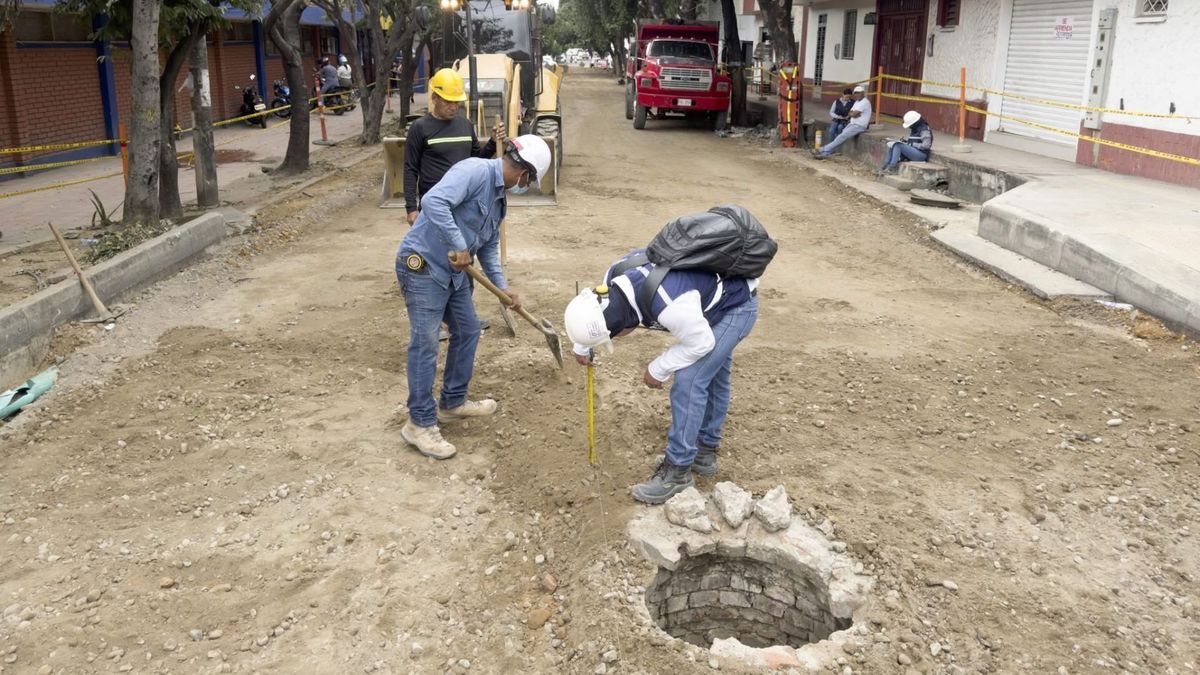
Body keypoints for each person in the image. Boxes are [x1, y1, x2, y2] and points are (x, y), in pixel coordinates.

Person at [395, 135, 552, 460]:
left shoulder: (499, 200)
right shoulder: (475, 171)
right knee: (425, 343)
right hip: (423, 265)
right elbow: (433, 202)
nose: (525, 186)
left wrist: (502, 288)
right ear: (524, 172)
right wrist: (459, 243)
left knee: (467, 330)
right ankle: (418, 424)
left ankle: (452, 404)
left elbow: (489, 247)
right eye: (529, 180)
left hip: (454, 274)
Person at [563, 251, 760, 504]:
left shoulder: (669, 306)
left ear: (621, 327)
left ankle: (678, 472)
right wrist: (583, 345)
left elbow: (701, 343)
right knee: (712, 373)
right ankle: (704, 453)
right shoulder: (614, 276)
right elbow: (597, 317)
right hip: (707, 297)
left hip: (736, 306)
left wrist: (657, 369)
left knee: (690, 379)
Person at [404, 68, 506, 227]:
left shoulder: (466, 125)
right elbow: (410, 168)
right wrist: (411, 208)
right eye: (448, 101)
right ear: (434, 98)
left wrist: (492, 142)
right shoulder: (420, 128)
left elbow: (476, 163)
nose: (453, 107)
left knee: (462, 244)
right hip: (434, 207)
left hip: (464, 205)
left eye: (456, 102)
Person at [811, 84, 871, 159]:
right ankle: (824, 154)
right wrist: (853, 114)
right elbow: (850, 113)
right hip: (852, 123)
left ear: (863, 93)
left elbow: (853, 114)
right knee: (839, 137)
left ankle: (821, 150)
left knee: (841, 137)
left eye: (859, 93)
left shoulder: (865, 102)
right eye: (856, 93)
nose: (857, 95)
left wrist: (853, 114)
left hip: (859, 125)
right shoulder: (857, 102)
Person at [878, 110, 933, 176]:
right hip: (915, 152)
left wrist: (912, 144)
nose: (910, 127)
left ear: (915, 123)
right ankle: (885, 166)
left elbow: (926, 145)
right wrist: (907, 143)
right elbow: (914, 141)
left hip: (921, 155)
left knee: (898, 145)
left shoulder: (924, 130)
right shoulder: (915, 129)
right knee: (892, 144)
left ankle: (891, 168)